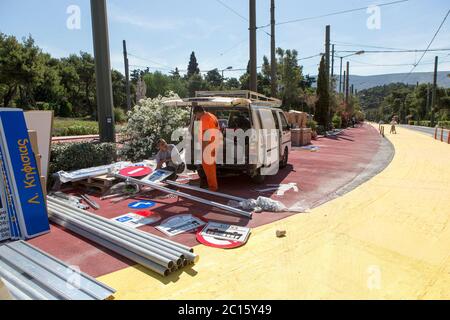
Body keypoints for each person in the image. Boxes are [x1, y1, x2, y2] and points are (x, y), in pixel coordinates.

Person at [193, 104, 220, 192]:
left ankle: (213, 187)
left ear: (198, 112)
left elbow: (205, 135)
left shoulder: (204, 118)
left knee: (208, 168)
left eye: (196, 115)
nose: (196, 117)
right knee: (211, 167)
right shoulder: (212, 116)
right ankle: (213, 186)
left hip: (209, 145)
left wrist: (204, 149)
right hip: (214, 143)